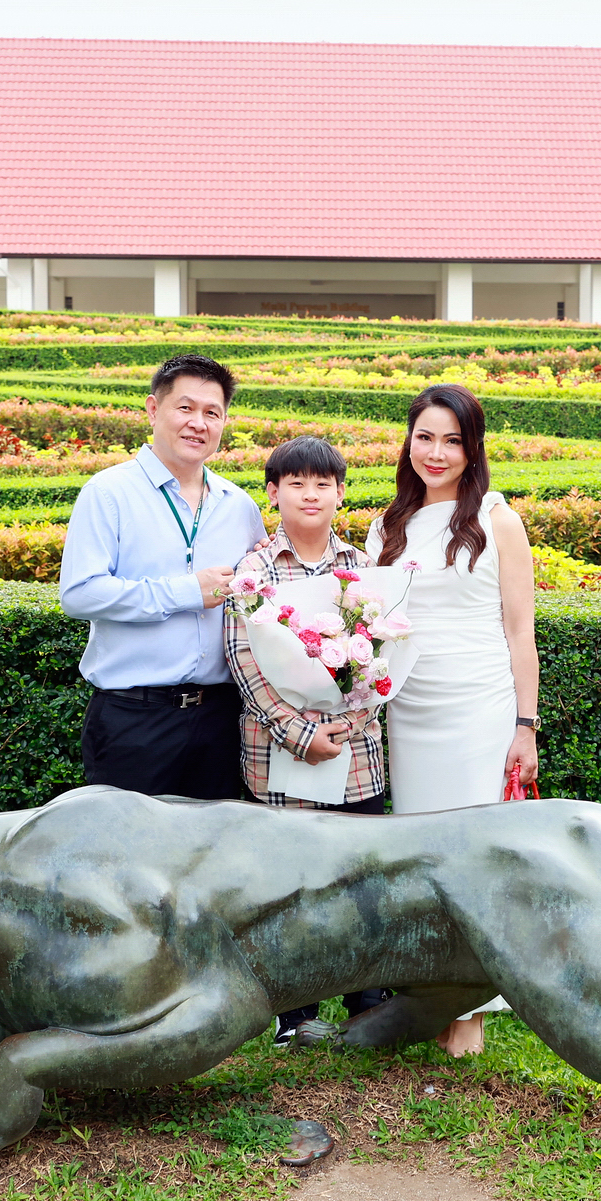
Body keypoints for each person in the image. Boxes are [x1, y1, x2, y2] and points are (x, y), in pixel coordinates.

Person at [367, 383, 541, 1056]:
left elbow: (520, 628)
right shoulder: (385, 526)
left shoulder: (498, 520)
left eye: (452, 440)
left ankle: (471, 1010)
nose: (436, 452)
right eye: (424, 437)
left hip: (477, 706)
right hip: (410, 712)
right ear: (408, 442)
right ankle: (429, 993)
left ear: (473, 450)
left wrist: (525, 723)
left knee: (476, 860)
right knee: (422, 858)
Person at [224, 435, 392, 1046]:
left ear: (341, 492)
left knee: (361, 877)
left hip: (356, 756)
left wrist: (349, 720)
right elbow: (244, 663)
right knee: (290, 883)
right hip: (279, 758)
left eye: (324, 483)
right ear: (273, 492)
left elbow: (382, 658)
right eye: (296, 483)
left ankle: (368, 1003)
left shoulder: (362, 568)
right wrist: (300, 733)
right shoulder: (255, 570)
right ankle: (295, 1013)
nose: (311, 494)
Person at [57, 353, 266, 798]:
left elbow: (260, 600)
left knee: (212, 856)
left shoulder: (239, 506)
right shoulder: (108, 492)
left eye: (213, 413)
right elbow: (79, 594)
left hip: (222, 719)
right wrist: (186, 592)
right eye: (185, 408)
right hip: (134, 719)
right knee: (125, 857)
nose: (199, 423)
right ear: (154, 410)